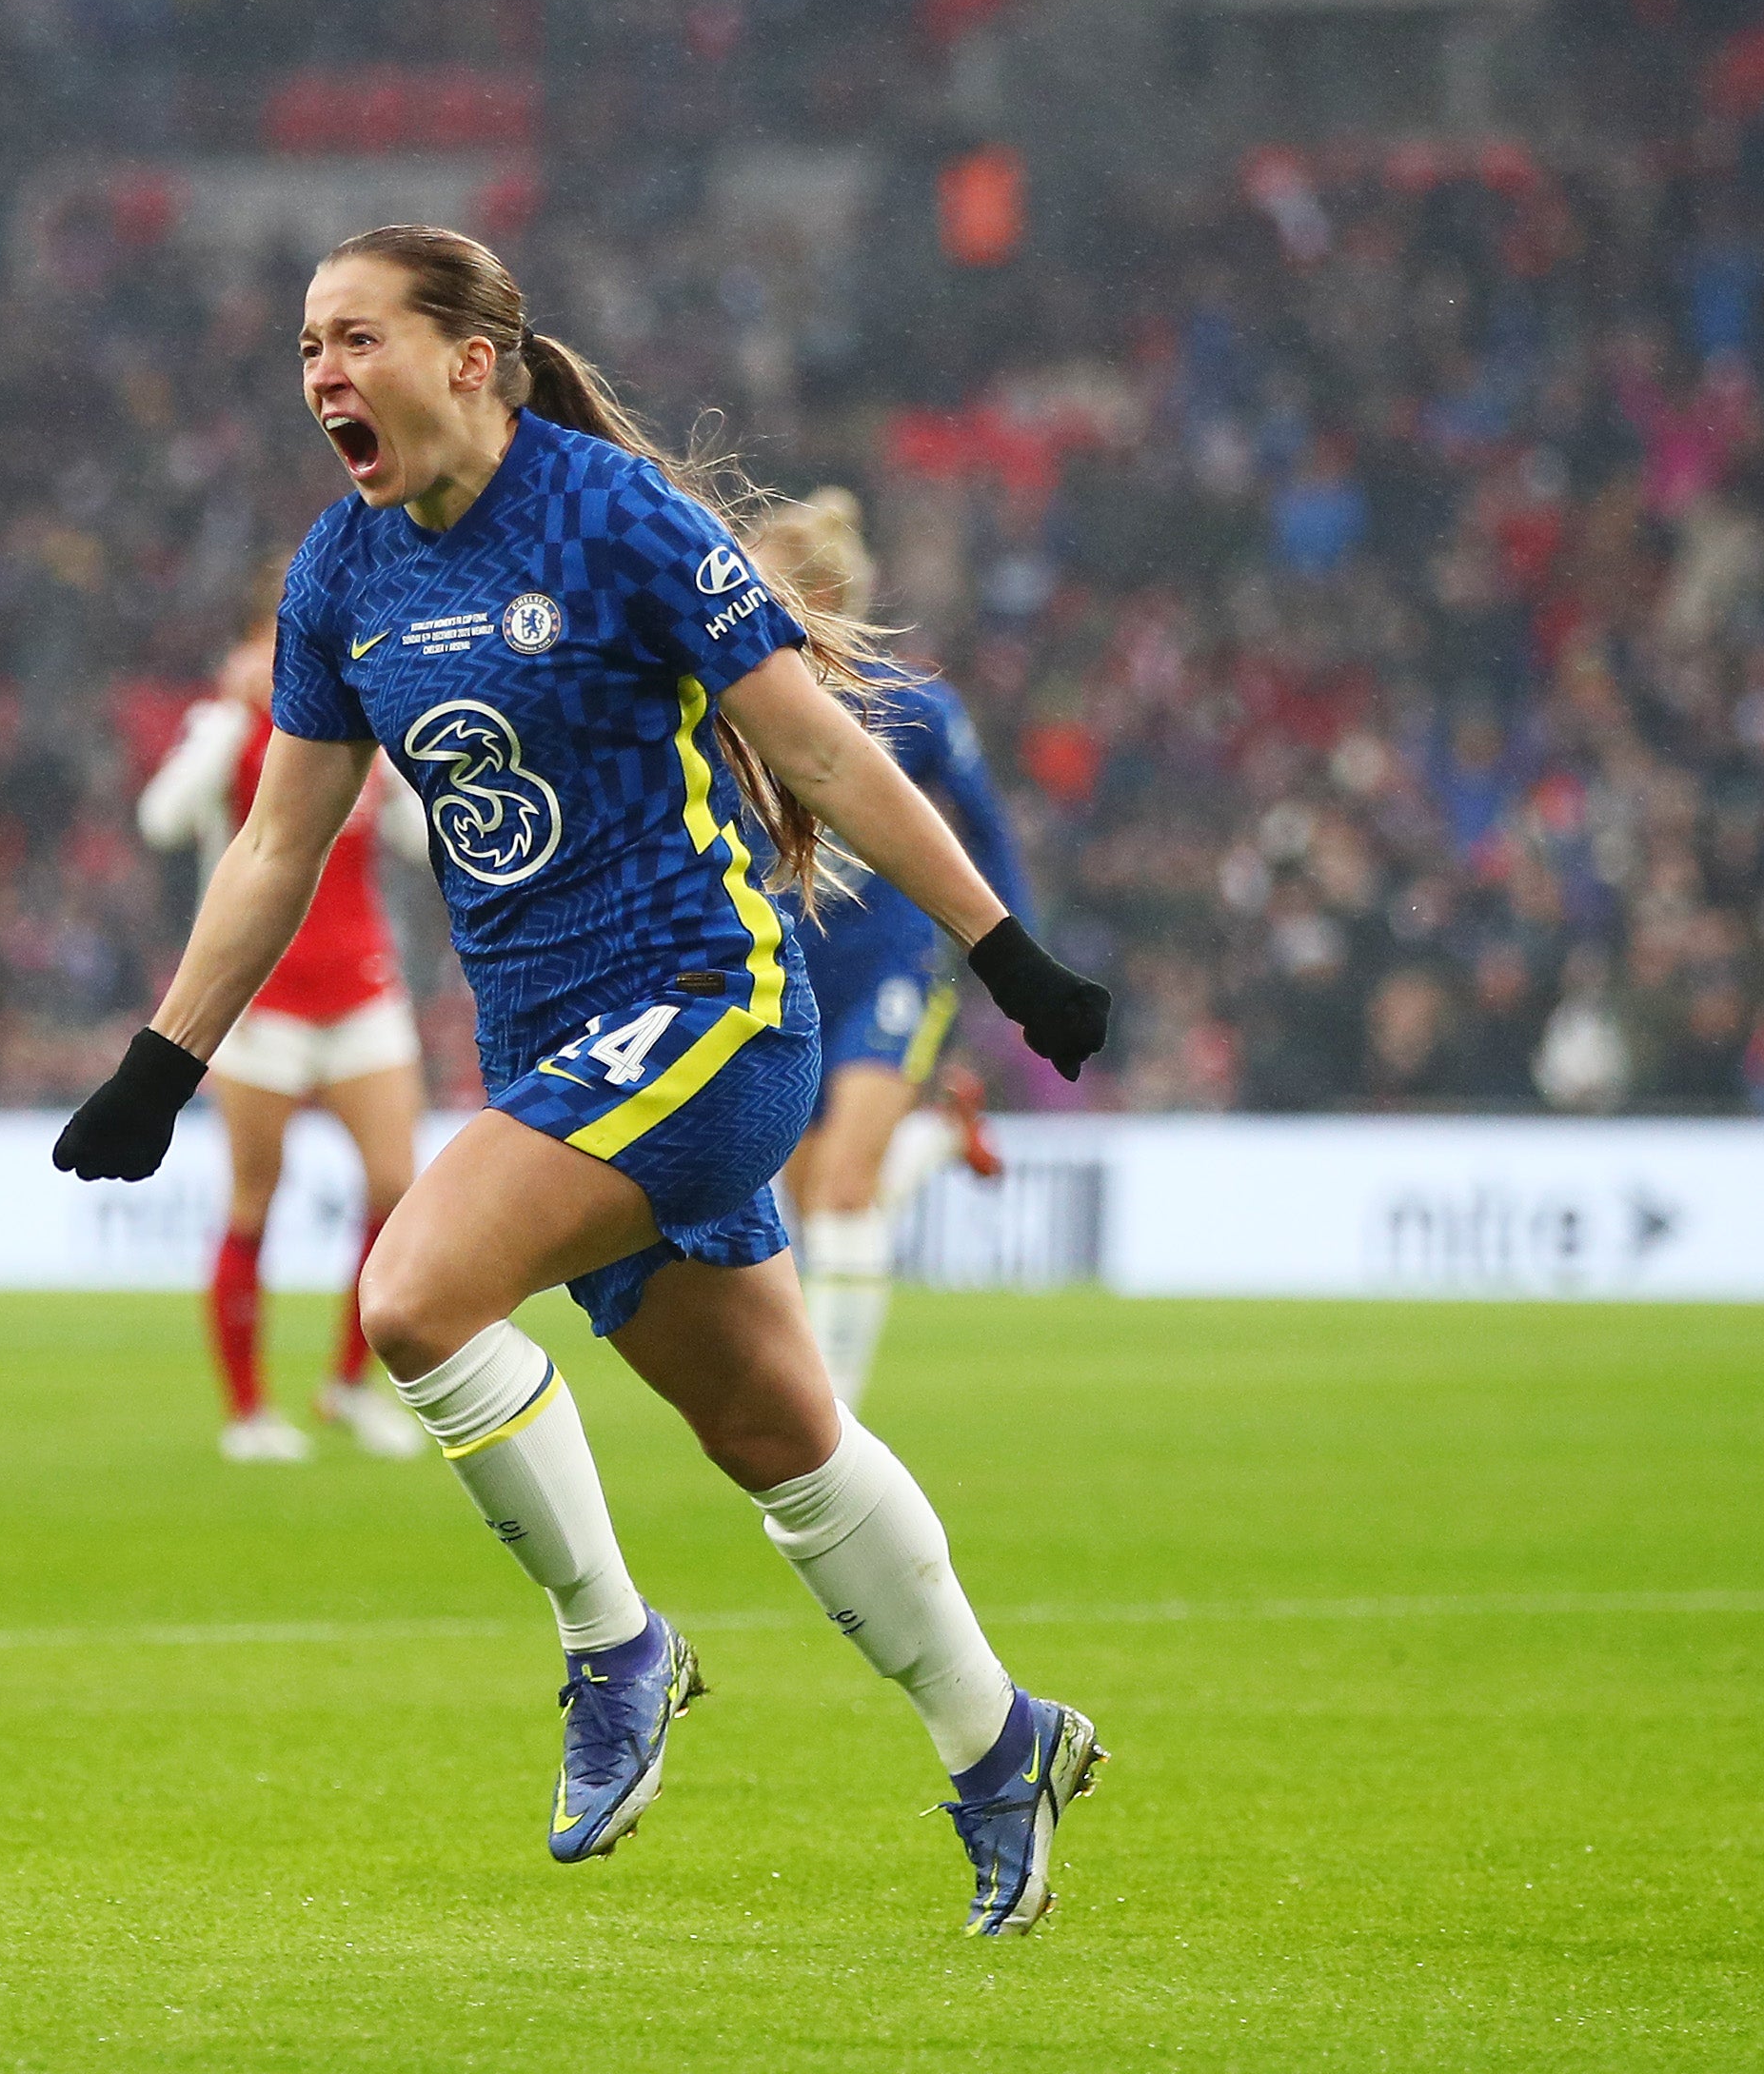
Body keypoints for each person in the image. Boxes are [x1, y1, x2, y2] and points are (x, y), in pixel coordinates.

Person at [56, 227, 1120, 1935]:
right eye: (304, 347)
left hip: (707, 1013)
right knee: (778, 1436)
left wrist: (1003, 954)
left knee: (411, 1289)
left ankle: (614, 1648)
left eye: (354, 337)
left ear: (471, 354)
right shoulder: (338, 574)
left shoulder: (617, 519)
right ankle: (1001, 1743)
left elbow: (821, 747)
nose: (321, 373)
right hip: (558, 1057)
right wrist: (159, 1062)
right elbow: (272, 840)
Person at [133, 612, 436, 1462]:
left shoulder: (358, 728)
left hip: (361, 992)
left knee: (393, 1189)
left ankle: (348, 1384)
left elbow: (419, 838)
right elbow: (160, 820)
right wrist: (224, 727)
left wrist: (408, 741)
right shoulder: (230, 730)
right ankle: (248, 1411)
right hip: (258, 1001)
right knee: (255, 1197)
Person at [748, 490, 1019, 1410]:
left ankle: (832, 1415)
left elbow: (988, 832)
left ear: (817, 599)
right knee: (814, 1195)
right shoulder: (737, 704)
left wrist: (1012, 961)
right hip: (789, 973)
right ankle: (935, 1144)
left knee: (840, 1190)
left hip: (891, 966)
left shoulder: (916, 707)